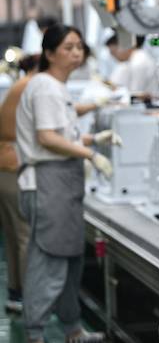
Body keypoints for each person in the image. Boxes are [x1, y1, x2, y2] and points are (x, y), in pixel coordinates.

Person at [16, 24, 120, 343]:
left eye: (79, 46)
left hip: (61, 185)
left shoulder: (56, 86)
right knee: (49, 260)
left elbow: (62, 134)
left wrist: (91, 137)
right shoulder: (45, 86)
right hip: (48, 184)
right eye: (67, 47)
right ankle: (34, 333)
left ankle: (72, 330)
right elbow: (46, 138)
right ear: (49, 53)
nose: (76, 53)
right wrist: (90, 153)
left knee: (69, 259)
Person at [0, 52, 42, 314]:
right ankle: (32, 299)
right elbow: (46, 133)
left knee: (15, 235)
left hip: (5, 166)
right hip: (13, 166)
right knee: (26, 234)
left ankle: (17, 294)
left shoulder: (23, 85)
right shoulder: (31, 86)